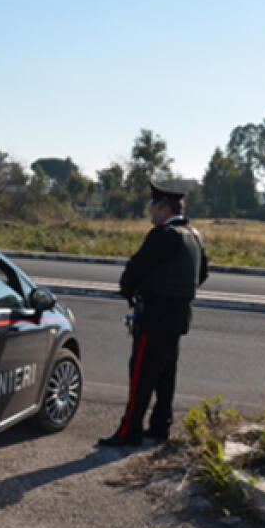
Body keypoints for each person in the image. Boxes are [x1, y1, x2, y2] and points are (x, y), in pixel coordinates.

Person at [99, 180, 209, 448]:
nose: (150, 211)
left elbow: (136, 268)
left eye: (153, 206)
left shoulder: (163, 235)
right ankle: (161, 426)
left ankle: (130, 430)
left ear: (163, 207)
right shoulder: (194, 235)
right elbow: (202, 274)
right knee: (165, 374)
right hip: (180, 314)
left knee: (141, 373)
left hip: (156, 314)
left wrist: (129, 291)